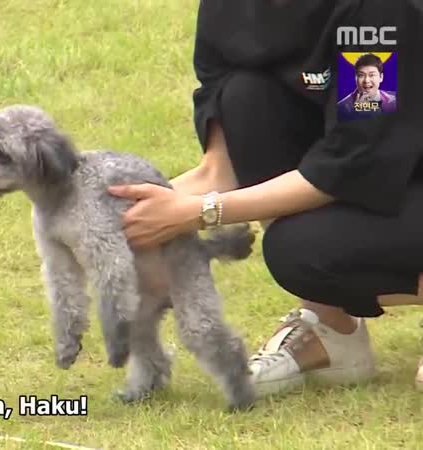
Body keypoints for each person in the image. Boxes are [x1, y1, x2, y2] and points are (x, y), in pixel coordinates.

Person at [108, 0, 423, 397]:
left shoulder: (375, 9)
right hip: (377, 160)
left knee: (298, 251)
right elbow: (219, 171)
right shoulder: (228, 10)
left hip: (395, 162)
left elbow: (355, 163)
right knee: (247, 95)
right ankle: (332, 332)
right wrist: (120, 219)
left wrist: (201, 213)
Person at [337, 53, 398, 120]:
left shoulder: (395, 100)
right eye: (361, 75)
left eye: (372, 75)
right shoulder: (342, 107)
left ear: (381, 77)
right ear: (355, 78)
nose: (366, 80)